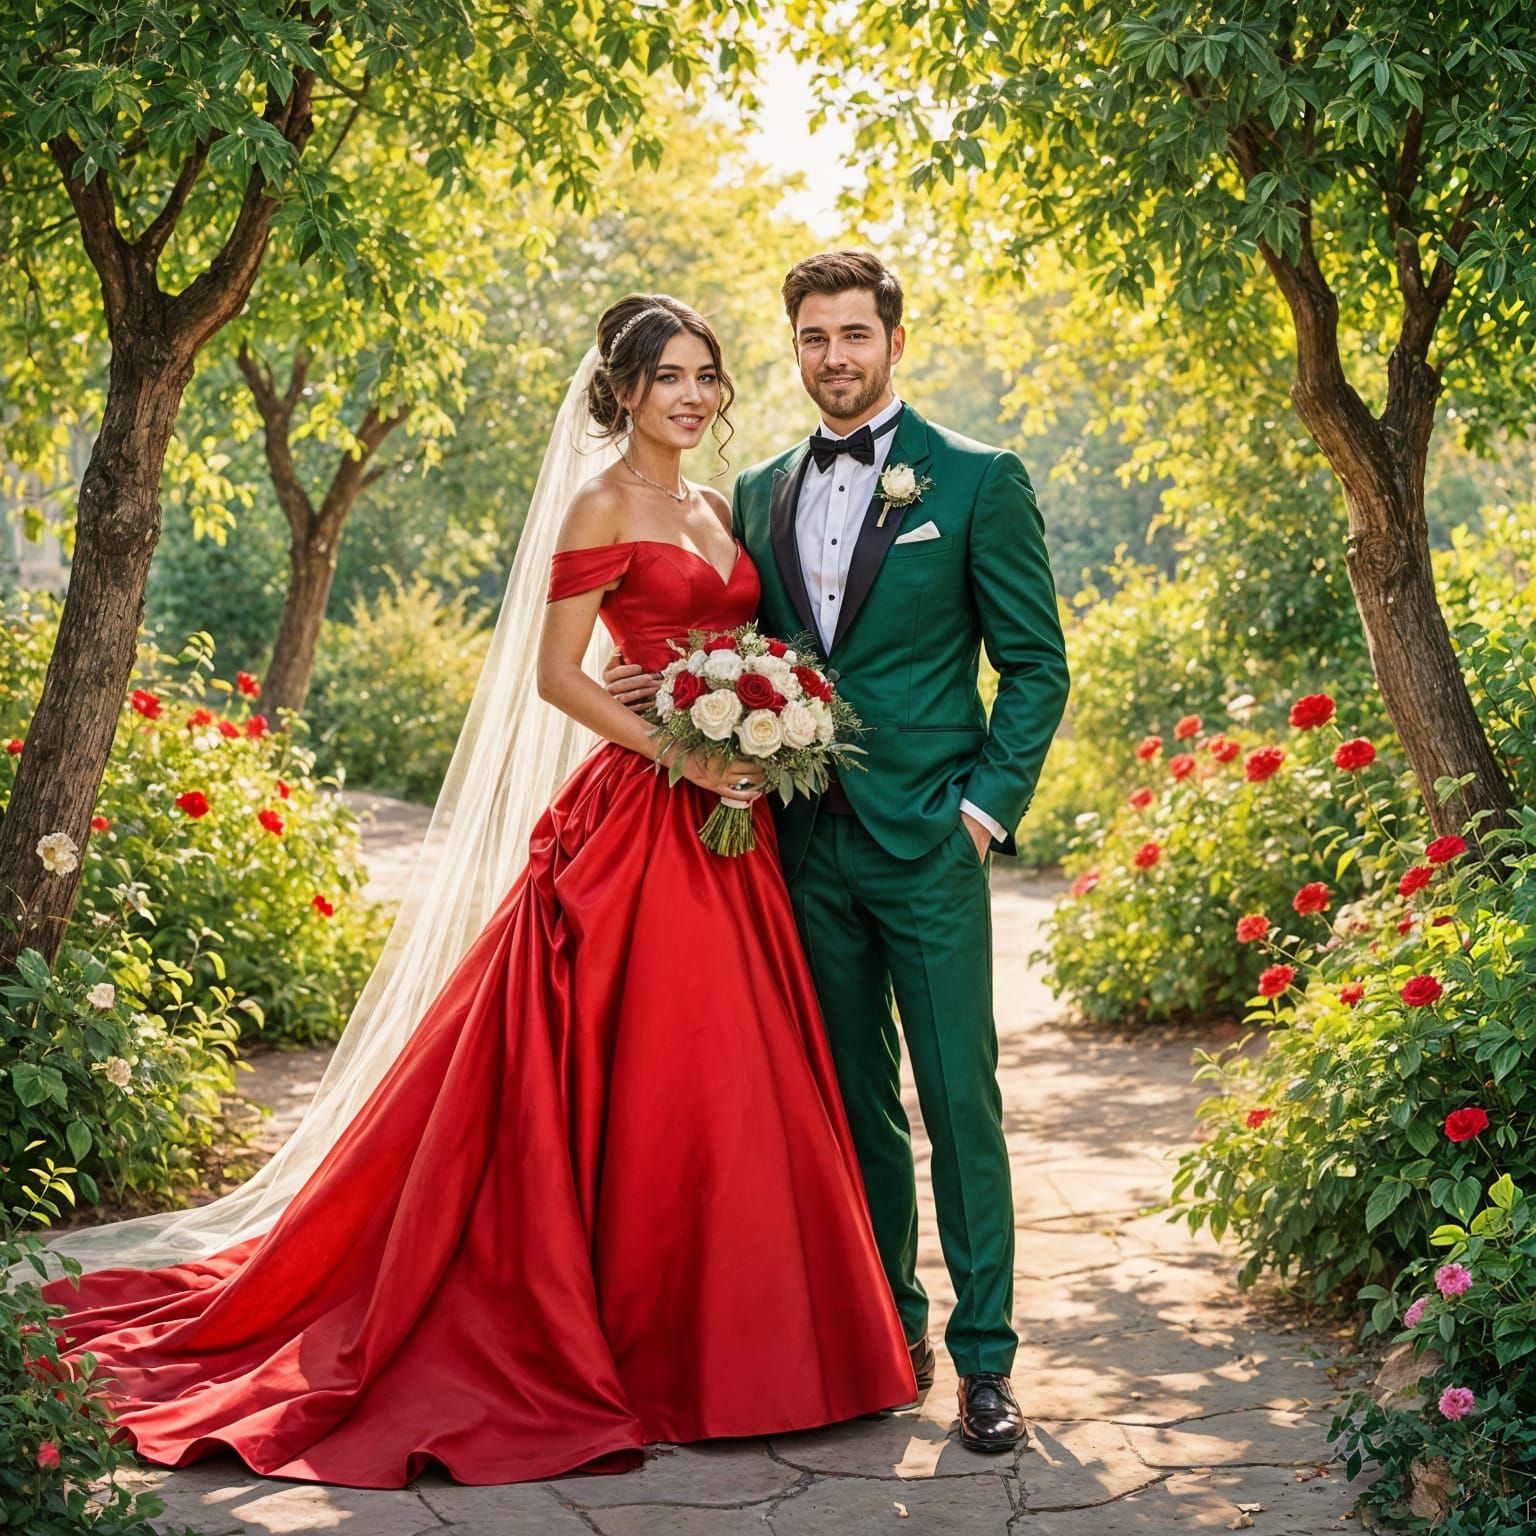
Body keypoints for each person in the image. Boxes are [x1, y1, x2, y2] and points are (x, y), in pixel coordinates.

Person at [37, 295, 915, 1489]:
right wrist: (689, 748)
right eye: (669, 377)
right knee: (660, 1070)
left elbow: (739, 647)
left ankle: (767, 1347)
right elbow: (563, 674)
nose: (695, 397)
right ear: (622, 393)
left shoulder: (717, 505)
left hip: (729, 828)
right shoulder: (600, 502)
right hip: (639, 820)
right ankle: (648, 1346)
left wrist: (756, 726)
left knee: (739, 1075)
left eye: (707, 375)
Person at [607, 251, 1071, 1452]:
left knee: (960, 1100)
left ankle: (986, 1363)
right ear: (796, 348)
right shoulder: (757, 490)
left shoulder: (976, 480)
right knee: (851, 1106)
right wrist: (656, 685)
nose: (835, 359)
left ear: (894, 342)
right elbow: (730, 644)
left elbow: (1036, 665)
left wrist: (982, 814)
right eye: (813, 339)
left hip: (931, 845)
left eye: (854, 336)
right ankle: (888, 1335)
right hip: (799, 850)